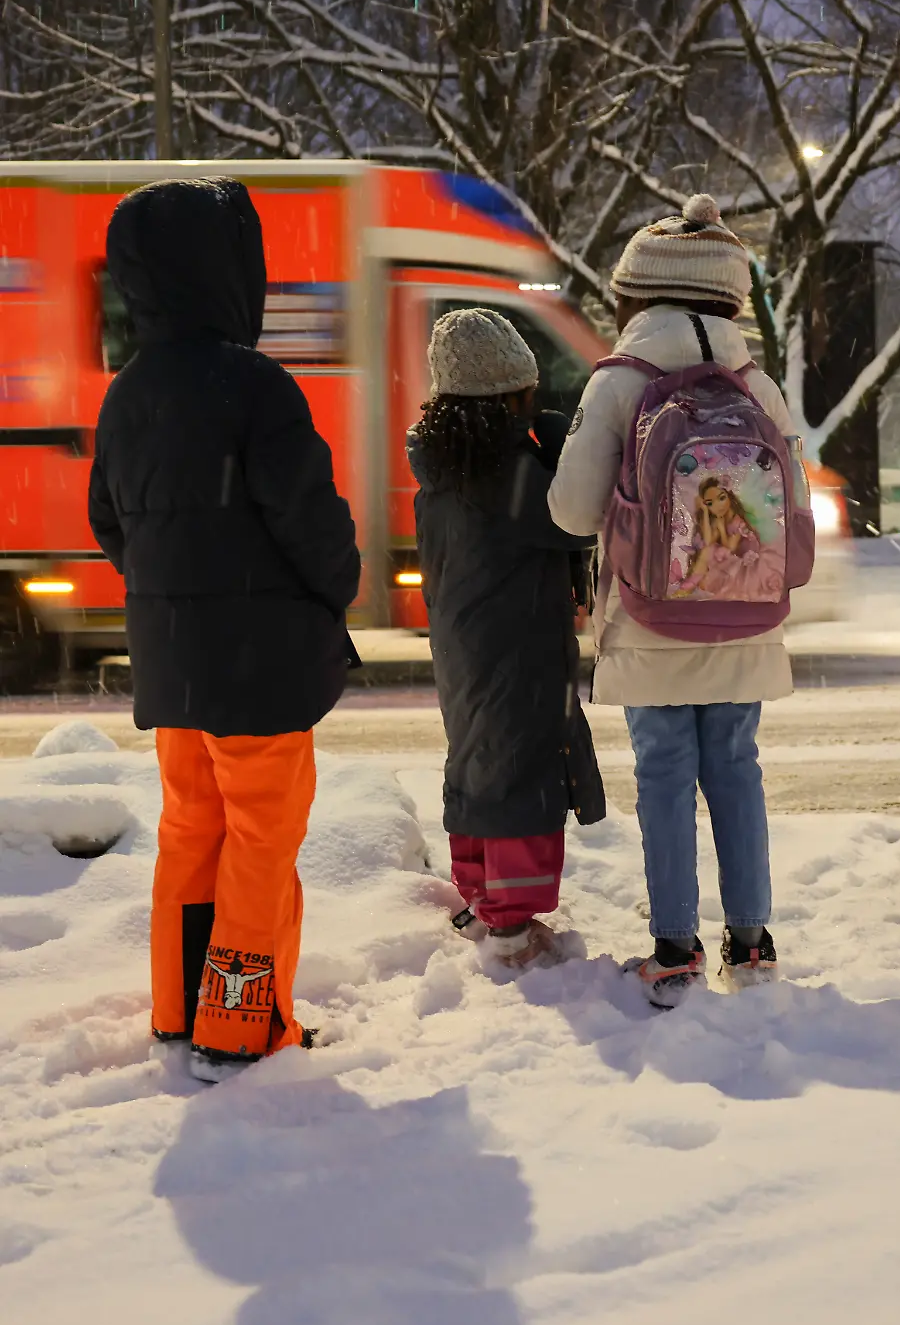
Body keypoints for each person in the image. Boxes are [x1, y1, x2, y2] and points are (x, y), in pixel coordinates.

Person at [88, 178, 361, 1082]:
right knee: (260, 839)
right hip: (260, 669)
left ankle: (179, 1009)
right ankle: (238, 1027)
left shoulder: (126, 395)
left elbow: (110, 525)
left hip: (175, 669)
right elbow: (311, 524)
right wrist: (334, 592)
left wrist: (171, 593)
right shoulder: (256, 386)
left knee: (190, 830)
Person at [548, 194, 795, 1005]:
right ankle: (753, 941)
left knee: (663, 770)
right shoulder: (759, 384)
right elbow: (790, 515)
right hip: (744, 614)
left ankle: (675, 944)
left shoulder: (621, 380)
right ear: (728, 294)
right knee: (736, 764)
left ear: (637, 294)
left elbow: (574, 511)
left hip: (651, 614)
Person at [407, 308, 605, 970]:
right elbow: (578, 522)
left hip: (464, 646)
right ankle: (511, 933)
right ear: (507, 397)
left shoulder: (443, 468)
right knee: (518, 767)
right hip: (515, 648)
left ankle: (486, 899)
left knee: (479, 759)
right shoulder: (510, 473)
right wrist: (556, 440)